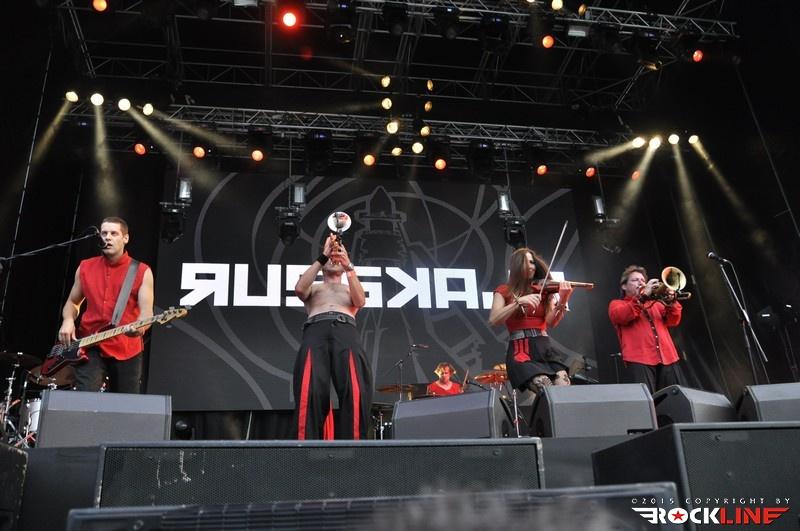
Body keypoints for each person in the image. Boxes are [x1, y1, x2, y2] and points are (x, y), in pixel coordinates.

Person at [58, 217, 154, 393]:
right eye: (104, 233)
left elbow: (147, 312)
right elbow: (73, 301)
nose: (107, 237)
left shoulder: (142, 271)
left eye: (114, 233)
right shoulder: (85, 267)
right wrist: (68, 320)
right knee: (85, 400)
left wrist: (140, 328)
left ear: (125, 238)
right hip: (90, 345)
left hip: (126, 347)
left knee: (125, 404)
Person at [293, 233, 372, 440]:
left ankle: (354, 448)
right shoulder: (314, 287)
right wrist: (323, 256)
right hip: (316, 329)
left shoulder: (349, 287)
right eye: (330, 258)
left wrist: (348, 266)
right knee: (310, 390)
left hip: (345, 330)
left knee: (353, 389)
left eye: (337, 257)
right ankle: (306, 448)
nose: (333, 259)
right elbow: (299, 289)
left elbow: (360, 301)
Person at [488, 247, 574, 394]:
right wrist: (519, 302)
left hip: (544, 346)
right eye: (527, 262)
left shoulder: (543, 289)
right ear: (517, 265)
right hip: (521, 349)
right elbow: (493, 319)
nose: (532, 266)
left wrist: (563, 299)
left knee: (564, 390)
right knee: (546, 389)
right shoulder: (504, 290)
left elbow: (551, 322)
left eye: (533, 262)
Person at [608, 265, 684, 394]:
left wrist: (671, 302)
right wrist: (642, 297)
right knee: (647, 401)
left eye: (643, 280)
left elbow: (673, 321)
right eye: (635, 280)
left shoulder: (657, 304)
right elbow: (623, 316)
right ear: (624, 286)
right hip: (639, 360)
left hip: (668, 358)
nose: (641, 283)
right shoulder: (617, 304)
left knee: (673, 401)